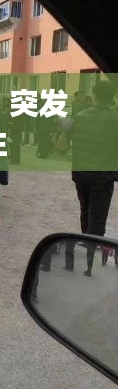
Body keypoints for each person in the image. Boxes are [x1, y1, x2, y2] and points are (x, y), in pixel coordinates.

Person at [69, 80, 118, 276]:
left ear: (95, 95)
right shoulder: (114, 119)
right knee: (97, 216)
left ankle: (85, 242)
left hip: (81, 174)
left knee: (85, 209)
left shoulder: (81, 115)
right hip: (102, 176)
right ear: (112, 97)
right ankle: (90, 261)